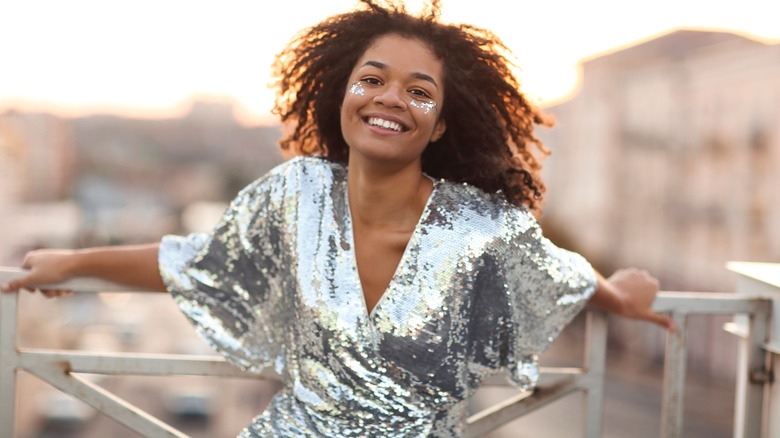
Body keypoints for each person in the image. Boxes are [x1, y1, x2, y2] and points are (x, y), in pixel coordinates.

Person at [2, 1, 674, 436]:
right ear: (342, 94)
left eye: (419, 91)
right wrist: (70, 261)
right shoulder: (295, 195)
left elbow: (559, 273)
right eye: (372, 79)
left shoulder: (480, 229)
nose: (391, 99)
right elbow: (201, 261)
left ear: (440, 124)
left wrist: (619, 294)